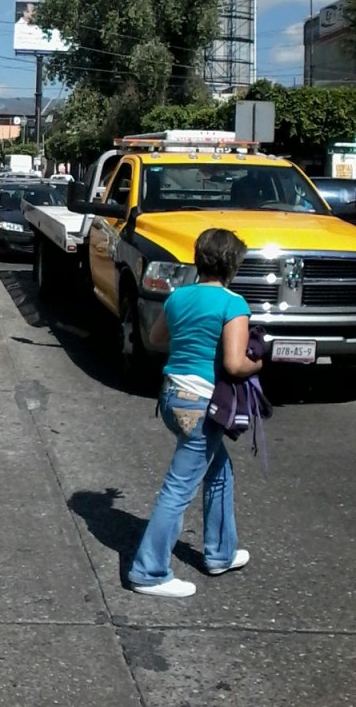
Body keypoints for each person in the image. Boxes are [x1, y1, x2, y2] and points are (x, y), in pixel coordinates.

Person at [127, 228, 263, 598]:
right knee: (178, 488)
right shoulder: (233, 304)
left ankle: (220, 553)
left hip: (172, 398)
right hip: (203, 404)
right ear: (232, 265)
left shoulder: (178, 297)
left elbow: (156, 339)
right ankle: (148, 571)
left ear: (198, 258)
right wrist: (260, 363)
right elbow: (235, 365)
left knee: (219, 470)